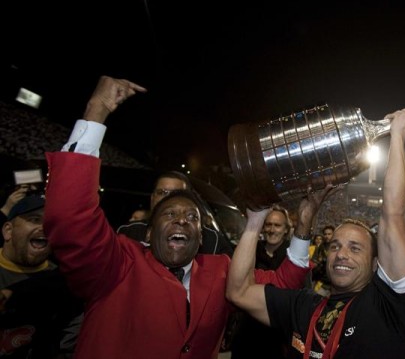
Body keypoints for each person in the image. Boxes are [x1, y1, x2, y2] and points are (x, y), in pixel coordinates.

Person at [42, 75, 312, 359]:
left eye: (192, 217)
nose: (182, 220)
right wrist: (96, 110)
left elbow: (282, 285)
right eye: (169, 213)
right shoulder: (117, 262)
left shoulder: (219, 273)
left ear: (201, 237)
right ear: (148, 232)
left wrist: (304, 224)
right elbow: (69, 215)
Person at [226, 109, 405, 359]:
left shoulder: (389, 305)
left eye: (355, 248)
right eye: (335, 246)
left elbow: (393, 215)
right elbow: (238, 291)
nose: (341, 254)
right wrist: (255, 222)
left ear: (376, 265)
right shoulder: (303, 306)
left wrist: (397, 136)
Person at [0, 194, 84, 358]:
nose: (45, 227)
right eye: (34, 219)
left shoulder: (66, 287)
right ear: (8, 230)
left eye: (52, 223)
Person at [116, 170, 235, 256]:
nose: (169, 199)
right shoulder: (129, 233)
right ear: (152, 198)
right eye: (162, 192)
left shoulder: (212, 241)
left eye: (176, 193)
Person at [229, 204, 295, 359]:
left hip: (278, 337)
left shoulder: (293, 257)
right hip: (247, 335)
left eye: (277, 225)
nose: (272, 229)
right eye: (268, 224)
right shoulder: (249, 250)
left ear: (286, 229)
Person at [311, 224, 334, 296]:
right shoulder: (321, 247)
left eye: (329, 234)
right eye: (325, 234)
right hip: (321, 282)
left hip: (334, 283)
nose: (327, 236)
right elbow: (314, 260)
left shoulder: (338, 246)